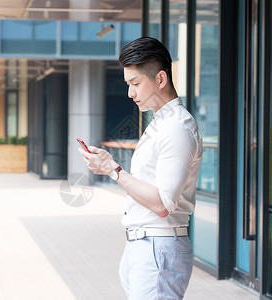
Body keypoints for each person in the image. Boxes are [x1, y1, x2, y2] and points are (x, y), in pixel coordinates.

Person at [78, 37, 203, 300]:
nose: (129, 93)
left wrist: (113, 170)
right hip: (146, 246)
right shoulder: (161, 123)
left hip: (158, 247)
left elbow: (162, 203)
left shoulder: (176, 128)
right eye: (128, 84)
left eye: (135, 83)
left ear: (160, 79)